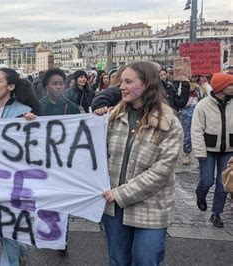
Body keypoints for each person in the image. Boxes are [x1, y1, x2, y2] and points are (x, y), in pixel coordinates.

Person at [94, 61, 183, 265]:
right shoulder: (113, 117)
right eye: (121, 82)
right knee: (118, 260)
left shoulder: (169, 123)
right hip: (114, 206)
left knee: (146, 259)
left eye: (128, 81)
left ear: (146, 84)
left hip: (151, 206)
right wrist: (94, 124)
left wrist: (120, 193)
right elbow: (89, 152)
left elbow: (161, 171)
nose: (121, 87)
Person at [0, 68, 39, 266]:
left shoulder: (23, 112)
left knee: (9, 225)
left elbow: (35, 144)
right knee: (1, 225)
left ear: (11, 86)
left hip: (15, 179)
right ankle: (20, 248)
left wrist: (33, 123)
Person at [191, 73, 233, 228]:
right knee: (207, 180)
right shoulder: (203, 105)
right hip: (208, 150)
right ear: (222, 88)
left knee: (223, 185)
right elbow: (196, 130)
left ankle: (216, 213)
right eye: (231, 85)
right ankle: (200, 194)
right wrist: (200, 152)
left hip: (228, 150)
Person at [180, 78, 200, 165]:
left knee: (200, 134)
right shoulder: (183, 84)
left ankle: (201, 156)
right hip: (187, 111)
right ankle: (187, 154)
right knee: (187, 134)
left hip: (199, 111)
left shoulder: (202, 84)